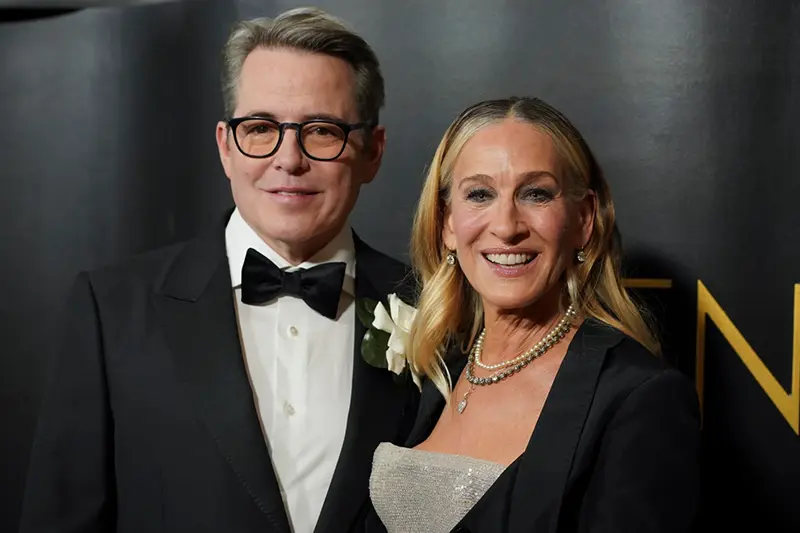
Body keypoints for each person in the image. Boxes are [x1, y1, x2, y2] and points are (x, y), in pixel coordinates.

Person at [19, 8, 419, 533]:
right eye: (260, 128)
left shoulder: (435, 308)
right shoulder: (111, 310)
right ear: (226, 147)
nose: (289, 159)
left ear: (373, 152)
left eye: (322, 131)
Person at [365, 97, 701, 532]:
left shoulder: (637, 398)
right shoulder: (439, 368)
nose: (506, 226)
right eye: (480, 194)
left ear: (583, 220)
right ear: (447, 223)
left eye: (536, 194)